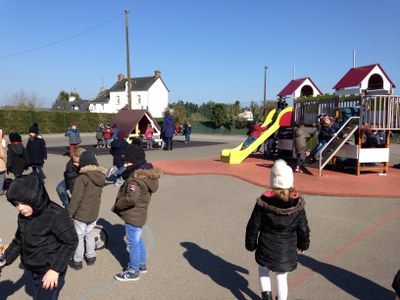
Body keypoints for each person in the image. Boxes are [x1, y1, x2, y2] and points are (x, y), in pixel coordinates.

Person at [1, 175, 78, 300]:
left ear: (35, 198)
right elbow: (18, 240)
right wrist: (4, 261)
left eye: (24, 203)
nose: (20, 208)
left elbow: (71, 242)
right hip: (34, 268)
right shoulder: (23, 217)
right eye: (16, 204)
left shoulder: (56, 215)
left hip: (51, 268)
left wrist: (55, 270)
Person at [245, 159, 310, 300]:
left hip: (266, 244)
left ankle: (266, 298)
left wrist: (251, 244)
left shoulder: (263, 201)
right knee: (281, 277)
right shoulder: (297, 202)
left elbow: (253, 225)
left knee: (263, 271)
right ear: (290, 181)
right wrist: (303, 244)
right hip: (286, 248)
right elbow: (303, 227)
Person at [112, 144, 163, 281]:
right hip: (140, 214)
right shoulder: (147, 176)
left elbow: (131, 199)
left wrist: (118, 204)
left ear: (136, 162)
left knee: (133, 242)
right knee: (138, 239)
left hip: (133, 215)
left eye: (127, 162)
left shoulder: (135, 179)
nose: (125, 164)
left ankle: (133, 270)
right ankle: (142, 264)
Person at [68, 151, 107, 270]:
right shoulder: (101, 177)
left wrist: (70, 212)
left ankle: (77, 260)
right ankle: (91, 257)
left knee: (78, 236)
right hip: (93, 212)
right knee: (89, 234)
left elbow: (76, 198)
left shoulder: (83, 178)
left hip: (81, 213)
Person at [0, 129, 7, 195]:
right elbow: (2, 154)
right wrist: (6, 159)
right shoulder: (0, 145)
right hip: (0, 164)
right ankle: (0, 190)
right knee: (1, 177)